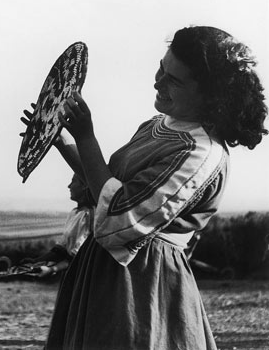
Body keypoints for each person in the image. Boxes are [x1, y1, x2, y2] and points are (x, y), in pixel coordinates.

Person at [35, 26, 267, 349]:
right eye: (161, 69)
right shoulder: (156, 126)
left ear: (211, 96)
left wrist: (86, 137)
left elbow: (119, 217)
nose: (157, 82)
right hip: (106, 272)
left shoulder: (200, 153)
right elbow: (105, 185)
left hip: (141, 287)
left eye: (173, 80)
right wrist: (60, 139)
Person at [25, 173, 94, 278]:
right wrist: (36, 261)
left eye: (73, 181)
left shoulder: (89, 215)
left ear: (85, 186)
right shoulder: (74, 213)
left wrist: (52, 269)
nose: (69, 186)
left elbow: (77, 256)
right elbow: (61, 249)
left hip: (82, 274)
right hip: (71, 272)